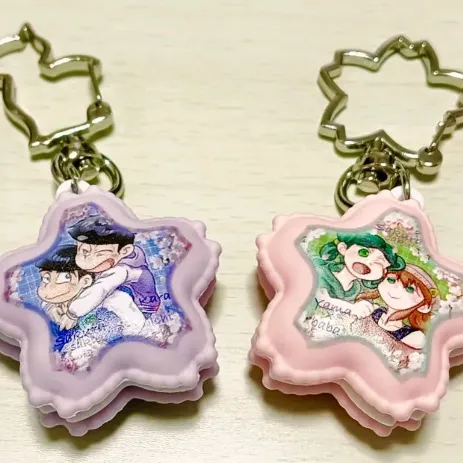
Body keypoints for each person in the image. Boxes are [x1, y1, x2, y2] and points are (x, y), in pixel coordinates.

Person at [61, 216, 161, 330]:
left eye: (99, 253)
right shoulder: (113, 260)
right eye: (83, 251)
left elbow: (102, 288)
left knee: (115, 297)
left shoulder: (123, 270)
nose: (86, 259)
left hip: (141, 309)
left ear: (124, 251)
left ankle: (137, 331)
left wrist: (73, 313)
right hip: (113, 305)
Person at [36, 244, 147, 336]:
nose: (50, 286)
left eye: (65, 277)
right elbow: (46, 303)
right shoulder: (55, 303)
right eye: (46, 278)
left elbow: (137, 325)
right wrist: (51, 310)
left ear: (85, 281)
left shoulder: (111, 299)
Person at [355, 264, 438, 349]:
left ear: (423, 306)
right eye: (391, 280)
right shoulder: (374, 311)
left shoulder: (410, 335)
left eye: (410, 289)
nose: (396, 288)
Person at [312, 232, 405, 302]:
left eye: (379, 262)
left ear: (384, 272)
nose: (369, 262)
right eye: (364, 252)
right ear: (343, 248)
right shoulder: (319, 272)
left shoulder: (356, 293)